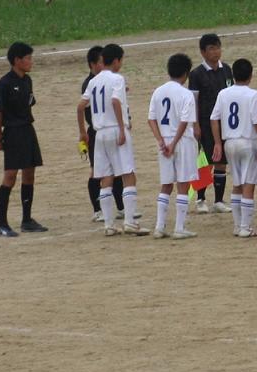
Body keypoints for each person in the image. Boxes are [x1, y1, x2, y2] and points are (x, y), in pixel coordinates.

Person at [79, 43, 143, 235]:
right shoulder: (117, 79)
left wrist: (82, 131)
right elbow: (115, 101)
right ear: (116, 60)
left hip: (99, 133)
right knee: (128, 174)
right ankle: (130, 221)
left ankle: (108, 225)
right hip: (115, 129)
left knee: (106, 177)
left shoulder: (93, 81)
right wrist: (122, 128)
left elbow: (80, 106)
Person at [0, 41, 46, 238]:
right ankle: (2, 223)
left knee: (30, 173)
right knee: (10, 176)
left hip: (27, 130)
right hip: (13, 132)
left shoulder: (27, 80)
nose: (31, 62)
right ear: (17, 60)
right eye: (28, 58)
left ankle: (26, 220)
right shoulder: (5, 83)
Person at [210, 59, 257, 238]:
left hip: (229, 143)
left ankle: (237, 225)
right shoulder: (254, 94)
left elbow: (214, 118)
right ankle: (245, 226)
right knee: (249, 184)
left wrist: (218, 142)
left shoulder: (223, 93)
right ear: (250, 75)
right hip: (247, 142)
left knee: (237, 184)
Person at [148, 53, 199, 240]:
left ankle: (159, 226)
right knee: (183, 184)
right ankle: (179, 227)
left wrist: (161, 140)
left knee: (166, 184)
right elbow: (185, 121)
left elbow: (151, 119)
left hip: (164, 142)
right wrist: (174, 142)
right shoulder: (186, 94)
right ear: (185, 73)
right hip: (182, 141)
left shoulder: (158, 91)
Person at [187, 34, 233, 216]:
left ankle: (219, 200)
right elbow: (194, 101)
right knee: (205, 162)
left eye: (218, 47)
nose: (216, 52)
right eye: (211, 49)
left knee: (221, 161)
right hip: (205, 123)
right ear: (203, 52)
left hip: (223, 123)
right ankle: (200, 199)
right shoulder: (196, 74)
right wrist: (195, 124)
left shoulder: (227, 70)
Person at [77, 45, 109, 222]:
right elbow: (81, 108)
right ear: (92, 64)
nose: (103, 66)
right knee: (96, 171)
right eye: (100, 63)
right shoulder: (89, 84)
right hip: (96, 132)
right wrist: (82, 132)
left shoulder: (106, 80)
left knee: (114, 169)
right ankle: (97, 210)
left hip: (107, 130)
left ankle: (118, 206)